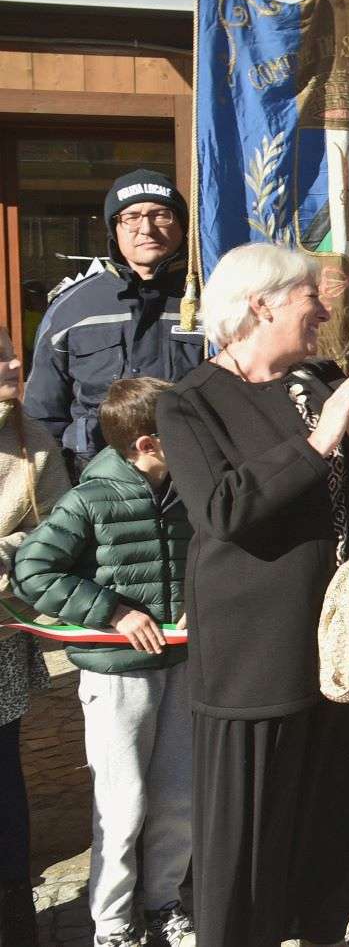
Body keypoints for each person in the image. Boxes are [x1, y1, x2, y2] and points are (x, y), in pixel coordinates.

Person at [156, 243, 349, 947]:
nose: (324, 312)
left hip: (340, 644)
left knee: (331, 823)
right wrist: (321, 440)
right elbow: (225, 510)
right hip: (254, 659)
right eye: (310, 298)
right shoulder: (190, 403)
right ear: (261, 305)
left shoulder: (317, 381)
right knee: (251, 836)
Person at [13, 379, 194, 947]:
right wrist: (113, 612)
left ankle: (165, 901)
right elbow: (33, 572)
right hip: (116, 676)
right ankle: (113, 923)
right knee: (123, 805)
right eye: (179, 431)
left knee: (179, 796)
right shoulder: (88, 499)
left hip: (182, 666)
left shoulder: (188, 486)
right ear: (147, 443)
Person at [25, 170, 206, 478]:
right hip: (96, 480)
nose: (146, 228)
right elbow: (43, 417)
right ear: (114, 228)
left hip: (196, 478)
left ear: (181, 224)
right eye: (131, 217)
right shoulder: (72, 307)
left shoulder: (216, 298)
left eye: (160, 215)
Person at [0, 327, 70, 947]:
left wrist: (4, 556)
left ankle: (17, 926)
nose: (15, 360)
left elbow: (59, 534)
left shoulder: (32, 440)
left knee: (3, 790)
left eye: (10, 350)